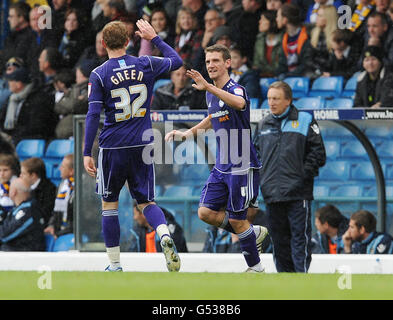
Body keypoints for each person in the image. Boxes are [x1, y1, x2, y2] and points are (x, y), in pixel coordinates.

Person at [83, 20, 183, 272]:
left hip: (113, 146)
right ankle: (164, 234)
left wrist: (86, 152)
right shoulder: (145, 63)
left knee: (109, 204)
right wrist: (155, 38)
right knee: (146, 201)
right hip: (142, 144)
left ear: (103, 44)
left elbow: (93, 116)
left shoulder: (99, 74)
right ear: (128, 41)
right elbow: (177, 61)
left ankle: (115, 264)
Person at [165, 44, 268, 273]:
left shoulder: (237, 89)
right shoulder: (212, 95)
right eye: (208, 61)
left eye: (215, 61)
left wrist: (210, 89)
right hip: (222, 164)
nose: (211, 65)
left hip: (241, 163)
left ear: (227, 63)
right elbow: (212, 118)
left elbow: (239, 103)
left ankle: (256, 268)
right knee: (205, 212)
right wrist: (187, 133)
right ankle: (252, 234)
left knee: (238, 219)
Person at [254, 81, 326, 272]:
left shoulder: (305, 120)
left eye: (276, 98)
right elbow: (255, 156)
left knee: (299, 238)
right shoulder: (263, 124)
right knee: (278, 240)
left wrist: (302, 176)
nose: (271, 103)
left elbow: (318, 154)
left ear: (288, 100)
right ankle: (284, 280)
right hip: (271, 193)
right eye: (269, 98)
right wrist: (263, 179)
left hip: (298, 193)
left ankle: (301, 278)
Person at [0, 67, 57, 145]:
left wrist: (14, 136)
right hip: (14, 138)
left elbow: (36, 126)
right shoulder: (11, 99)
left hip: (30, 140)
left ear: (19, 84)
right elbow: (2, 121)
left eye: (11, 80)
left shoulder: (38, 99)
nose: (8, 83)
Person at [0, 177, 46, 251]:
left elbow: (4, 235)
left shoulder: (28, 210)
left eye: (10, 189)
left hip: (26, 257)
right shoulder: (18, 208)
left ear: (13, 192)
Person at [54, 59, 95, 139]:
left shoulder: (91, 89)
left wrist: (69, 103)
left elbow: (76, 106)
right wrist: (73, 103)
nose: (76, 79)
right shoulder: (74, 89)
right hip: (65, 134)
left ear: (83, 74)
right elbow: (57, 106)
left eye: (77, 74)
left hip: (78, 135)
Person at [203, 207, 272, 253]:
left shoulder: (265, 229)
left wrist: (236, 240)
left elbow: (241, 265)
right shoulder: (215, 228)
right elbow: (205, 259)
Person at [275, 3, 313, 79]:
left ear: (285, 20)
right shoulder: (284, 38)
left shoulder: (308, 35)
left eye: (278, 16)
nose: (276, 19)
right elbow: (282, 64)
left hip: (304, 78)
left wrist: (287, 76)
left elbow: (307, 64)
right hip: (289, 78)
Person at [20, 157, 57, 227]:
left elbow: (45, 213)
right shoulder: (23, 187)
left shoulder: (49, 190)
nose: (20, 176)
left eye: (23, 174)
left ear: (33, 176)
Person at [44, 154, 74, 239]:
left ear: (71, 171)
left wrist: (59, 233)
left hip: (71, 234)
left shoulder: (82, 188)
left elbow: (78, 220)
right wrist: (52, 225)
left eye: (63, 166)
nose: (60, 169)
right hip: (61, 232)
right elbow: (56, 211)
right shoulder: (62, 185)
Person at [307, 5, 338, 79]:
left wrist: (324, 72)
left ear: (328, 18)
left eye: (320, 16)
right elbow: (308, 58)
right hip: (315, 72)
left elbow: (334, 61)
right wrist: (319, 71)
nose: (316, 18)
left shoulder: (337, 37)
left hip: (330, 74)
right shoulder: (313, 34)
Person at [252, 10, 283, 78]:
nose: (259, 22)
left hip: (279, 75)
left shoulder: (283, 38)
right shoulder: (260, 39)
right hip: (263, 75)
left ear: (272, 22)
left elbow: (280, 65)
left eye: (263, 19)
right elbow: (256, 64)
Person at [0, 154, 19, 219]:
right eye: (0, 170)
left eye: (5, 170)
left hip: (12, 214)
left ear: (13, 171)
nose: (2, 174)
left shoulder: (18, 183)